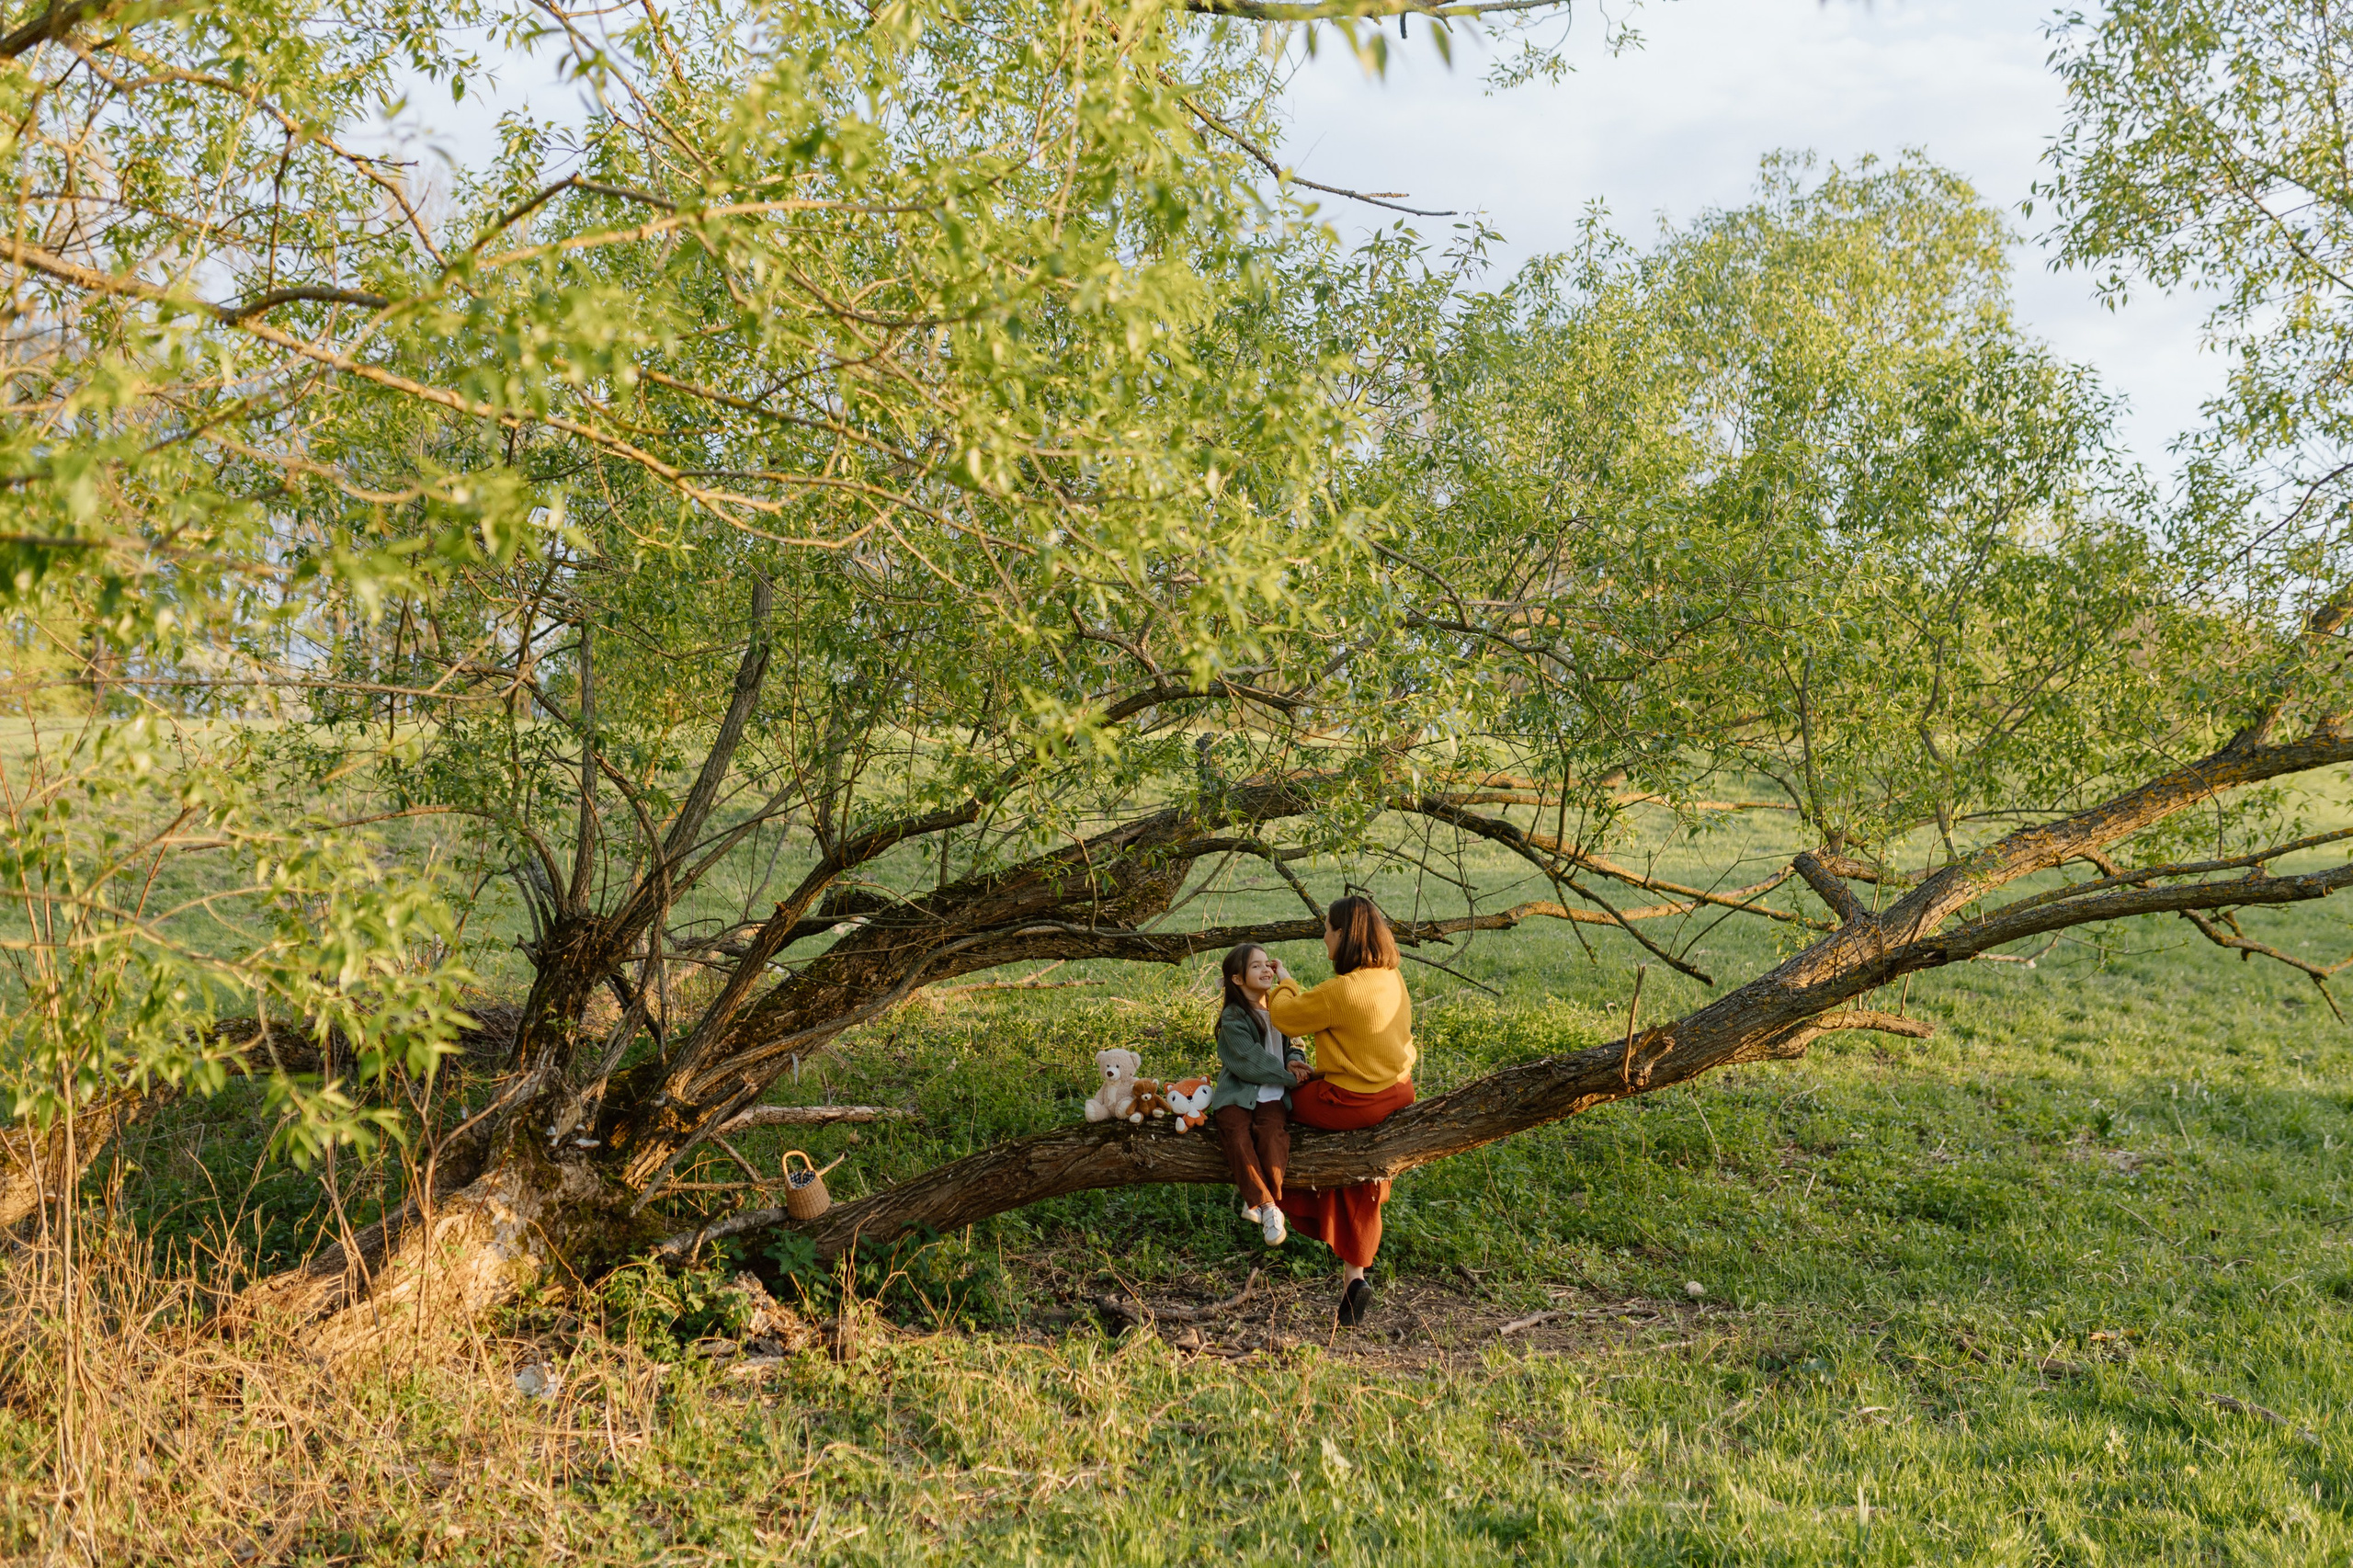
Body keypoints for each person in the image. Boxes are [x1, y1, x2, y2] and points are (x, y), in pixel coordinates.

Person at [1267, 894, 1415, 1328]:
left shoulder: (1340, 991)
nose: (1323, 938)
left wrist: (1286, 981)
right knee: (1353, 1165)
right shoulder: (1392, 977)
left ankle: (1264, 1196)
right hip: (1395, 1092)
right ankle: (1355, 1277)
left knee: (1277, 1100)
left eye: (1327, 930)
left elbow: (1285, 1017)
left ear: (1344, 935)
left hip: (1354, 1100)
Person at [1209, 943, 1313, 1247]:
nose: (1266, 969)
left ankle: (1256, 1199)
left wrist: (1294, 1059)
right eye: (1256, 966)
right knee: (1237, 1135)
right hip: (1237, 1094)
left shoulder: (1280, 1009)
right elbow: (1249, 1060)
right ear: (1238, 979)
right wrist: (1288, 1077)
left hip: (1273, 1095)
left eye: (1269, 964)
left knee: (1272, 1138)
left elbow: (1297, 1040)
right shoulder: (1234, 1016)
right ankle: (1269, 1208)